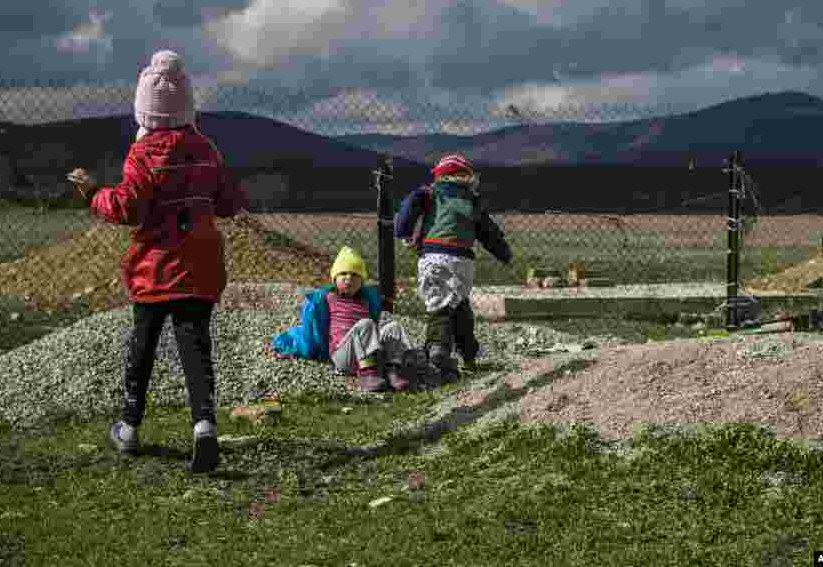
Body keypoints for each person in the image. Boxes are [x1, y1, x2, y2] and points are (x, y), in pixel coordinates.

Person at [66, 50, 246, 473]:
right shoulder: (207, 149)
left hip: (155, 267)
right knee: (195, 347)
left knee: (143, 346)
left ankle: (128, 427)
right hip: (200, 266)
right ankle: (204, 427)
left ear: (143, 110)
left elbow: (128, 208)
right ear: (187, 106)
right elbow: (225, 203)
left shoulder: (143, 154)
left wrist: (93, 194)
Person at [393, 154, 512, 383]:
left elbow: (406, 213)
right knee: (459, 305)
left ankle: (438, 350)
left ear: (439, 176)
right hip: (463, 261)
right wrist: (504, 254)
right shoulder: (473, 201)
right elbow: (489, 233)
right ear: (468, 177)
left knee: (439, 308)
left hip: (434, 256)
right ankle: (468, 355)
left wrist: (403, 232)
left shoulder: (428, 194)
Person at [271, 246, 418, 392]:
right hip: (342, 356)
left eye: (355, 275)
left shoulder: (367, 299)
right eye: (343, 274)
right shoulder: (328, 298)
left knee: (393, 327)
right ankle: (367, 374)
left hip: (368, 351)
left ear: (362, 281)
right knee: (365, 324)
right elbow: (310, 328)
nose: (349, 279)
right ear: (334, 279)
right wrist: (295, 346)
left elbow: (378, 322)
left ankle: (393, 369)